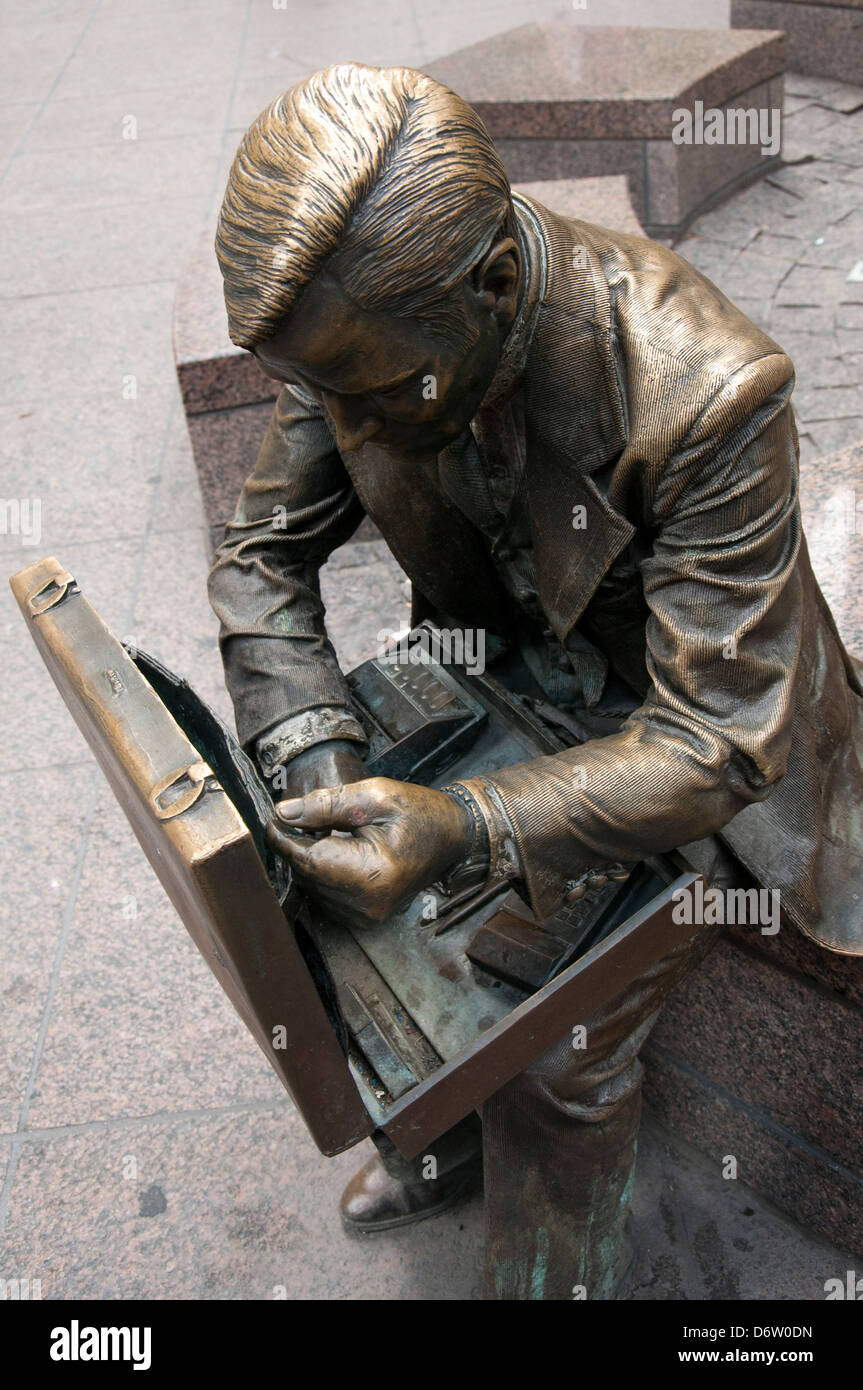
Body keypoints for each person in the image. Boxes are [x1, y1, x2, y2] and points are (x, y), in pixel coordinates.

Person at [207, 63, 863, 1300]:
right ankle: (437, 1112)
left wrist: (459, 827)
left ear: (494, 286)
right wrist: (320, 768)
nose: (342, 428)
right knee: (355, 918)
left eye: (375, 397)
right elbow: (259, 556)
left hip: (679, 732)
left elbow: (717, 737)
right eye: (322, 397)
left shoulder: (705, 389)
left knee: (558, 1045)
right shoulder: (361, 347)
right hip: (494, 676)